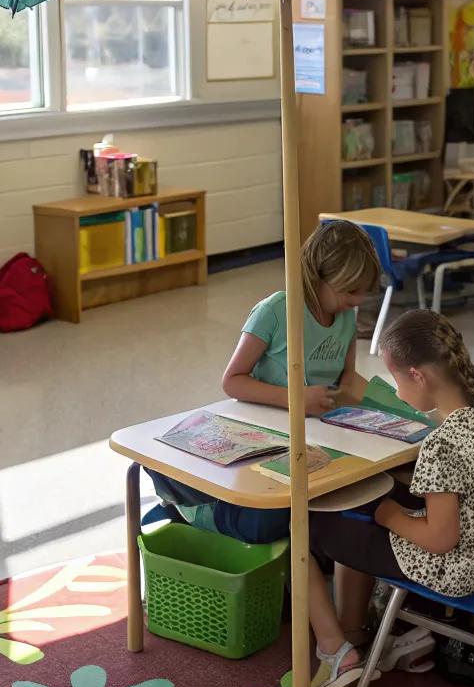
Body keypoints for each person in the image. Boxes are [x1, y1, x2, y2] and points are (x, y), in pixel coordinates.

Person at [306, 308, 474, 687]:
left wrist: (389, 515)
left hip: (456, 570)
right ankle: (359, 626)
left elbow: (440, 538)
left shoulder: (441, 444)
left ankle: (338, 651)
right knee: (379, 505)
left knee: (315, 529)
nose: (398, 392)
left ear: (418, 376)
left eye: (397, 379)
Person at [147, 220, 381, 543]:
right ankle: (189, 509)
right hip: (265, 433)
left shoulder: (345, 317)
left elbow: (349, 379)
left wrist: (397, 409)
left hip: (315, 435)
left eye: (362, 292)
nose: (357, 301)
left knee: (351, 496)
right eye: (350, 290)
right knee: (271, 522)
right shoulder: (276, 311)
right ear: (319, 277)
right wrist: (295, 397)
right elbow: (232, 381)